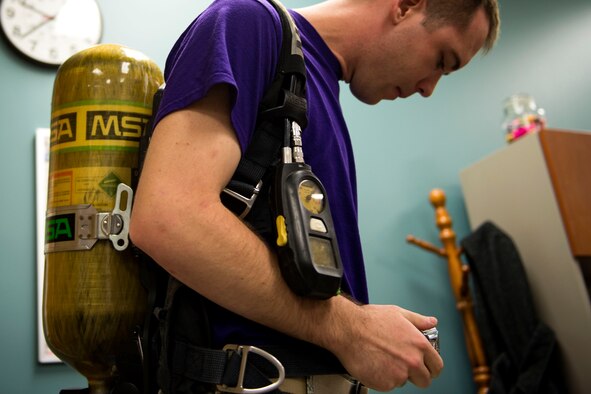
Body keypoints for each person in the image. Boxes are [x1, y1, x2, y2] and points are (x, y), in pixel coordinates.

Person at [130, 0, 500, 392]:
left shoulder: (310, 86)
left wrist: (366, 327)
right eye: (442, 60)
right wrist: (350, 328)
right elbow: (169, 217)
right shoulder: (249, 22)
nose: (429, 88)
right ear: (407, 6)